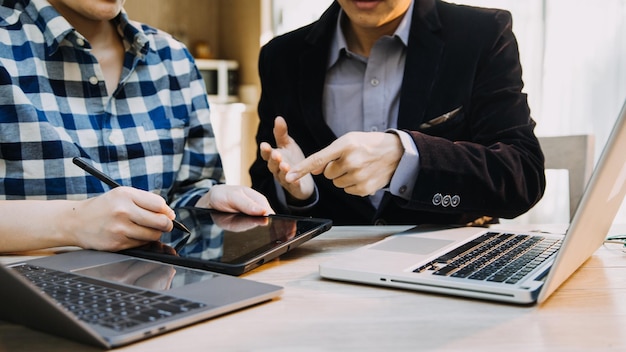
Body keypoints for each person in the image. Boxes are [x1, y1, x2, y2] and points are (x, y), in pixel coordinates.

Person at [0, 0, 273, 253]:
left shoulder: (173, 59)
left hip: (161, 291)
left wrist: (206, 202)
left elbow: (184, 192)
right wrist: (73, 222)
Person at [251, 0, 546, 225]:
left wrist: (409, 158)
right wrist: (297, 195)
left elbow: (522, 176)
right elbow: (263, 186)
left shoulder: (481, 35)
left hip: (452, 276)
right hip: (324, 282)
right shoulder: (281, 56)